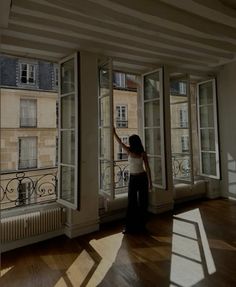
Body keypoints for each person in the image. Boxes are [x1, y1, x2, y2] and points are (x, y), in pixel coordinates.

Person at [113, 127, 152, 234]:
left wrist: (150, 183)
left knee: (143, 202)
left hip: (142, 177)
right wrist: (114, 133)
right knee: (132, 202)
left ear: (134, 142)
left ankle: (142, 226)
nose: (129, 143)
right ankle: (130, 227)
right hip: (133, 178)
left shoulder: (143, 153)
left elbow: (147, 168)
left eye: (130, 141)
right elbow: (120, 142)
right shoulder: (129, 150)